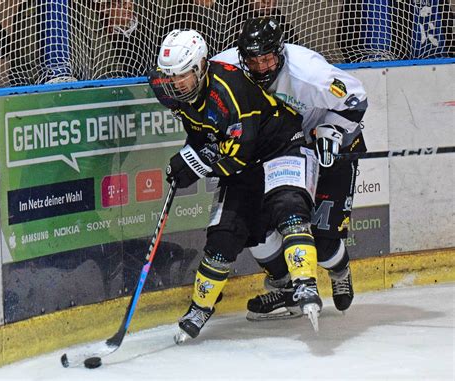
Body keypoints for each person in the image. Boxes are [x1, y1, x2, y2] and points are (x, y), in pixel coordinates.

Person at [149, 29, 322, 341]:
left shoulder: (231, 92)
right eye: (171, 77)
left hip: (280, 146)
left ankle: (305, 282)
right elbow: (203, 136)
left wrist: (195, 169)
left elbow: (236, 158)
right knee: (224, 235)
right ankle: (200, 308)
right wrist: (186, 159)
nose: (176, 84)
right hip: (244, 158)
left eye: (183, 76)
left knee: (289, 207)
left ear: (201, 66)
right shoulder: (175, 91)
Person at [213, 17, 368, 320]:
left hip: (329, 149)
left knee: (323, 245)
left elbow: (356, 100)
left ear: (280, 52)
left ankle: (339, 271)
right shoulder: (227, 67)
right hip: (279, 151)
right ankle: (289, 292)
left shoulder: (309, 73)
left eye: (268, 58)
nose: (261, 67)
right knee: (257, 230)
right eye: (253, 60)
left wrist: (329, 129)